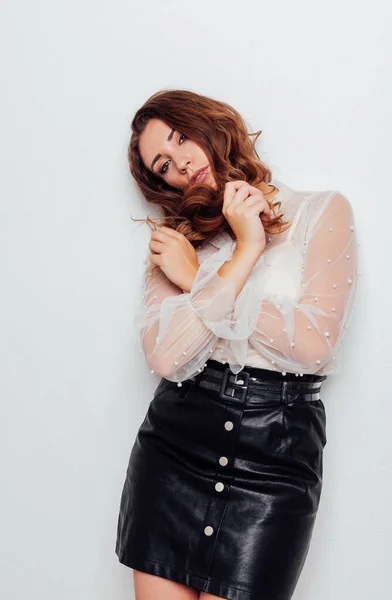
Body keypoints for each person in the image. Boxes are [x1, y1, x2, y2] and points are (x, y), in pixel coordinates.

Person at [115, 89, 358, 600]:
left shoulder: (321, 212)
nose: (180, 161)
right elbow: (164, 356)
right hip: (174, 452)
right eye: (163, 163)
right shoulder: (176, 242)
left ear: (209, 124)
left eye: (182, 137)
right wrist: (242, 254)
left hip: (276, 456)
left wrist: (198, 283)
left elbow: (313, 347)